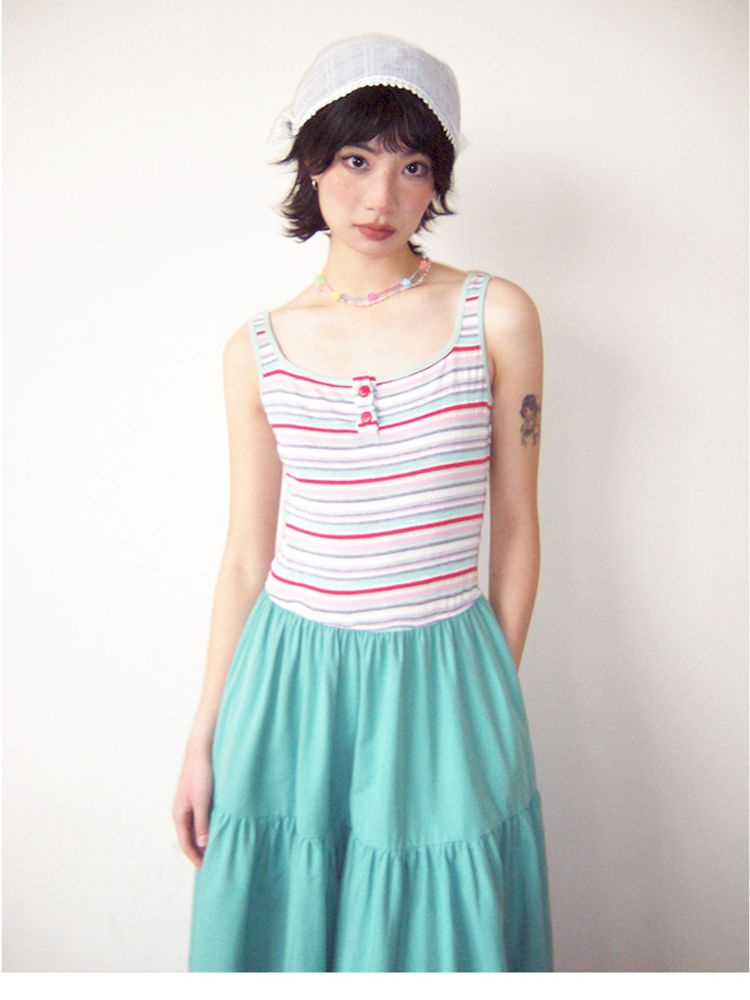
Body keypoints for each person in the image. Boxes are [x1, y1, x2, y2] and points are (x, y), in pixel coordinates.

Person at [173, 32, 554, 972]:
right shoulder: (255, 349)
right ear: (312, 165)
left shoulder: (498, 316)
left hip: (442, 672)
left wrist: (489, 690)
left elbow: (515, 528)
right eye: (354, 160)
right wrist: (201, 738)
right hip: (290, 681)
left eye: (411, 165)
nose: (380, 197)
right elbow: (245, 558)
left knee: (436, 932)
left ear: (437, 182)